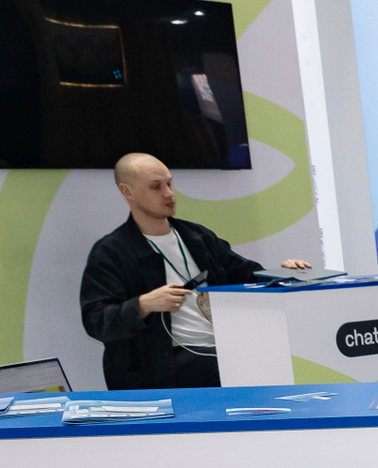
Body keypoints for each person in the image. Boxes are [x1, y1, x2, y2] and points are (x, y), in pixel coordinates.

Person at [80, 153, 312, 390]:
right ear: (127, 191)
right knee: (235, 370)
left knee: (274, 361)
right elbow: (96, 321)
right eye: (155, 187)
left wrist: (283, 273)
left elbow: (246, 274)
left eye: (169, 183)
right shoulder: (111, 251)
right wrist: (143, 304)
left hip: (221, 347)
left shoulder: (196, 237)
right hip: (163, 364)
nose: (169, 193)